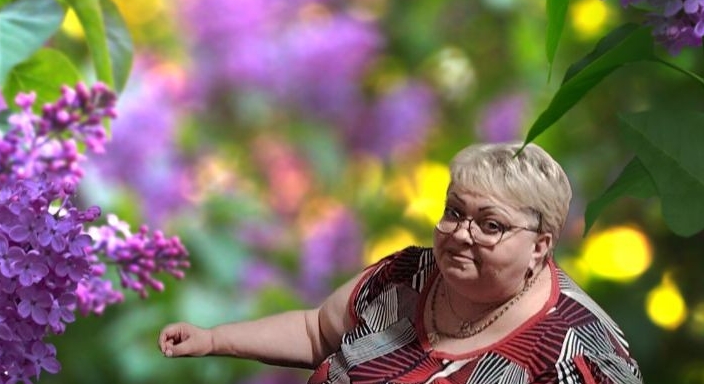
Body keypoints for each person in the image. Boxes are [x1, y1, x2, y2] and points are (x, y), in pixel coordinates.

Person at [159, 142, 643, 383]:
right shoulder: (406, 275)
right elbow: (315, 332)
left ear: (540, 245)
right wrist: (213, 339)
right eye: (455, 212)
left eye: (490, 225)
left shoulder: (576, 353)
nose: (461, 234)